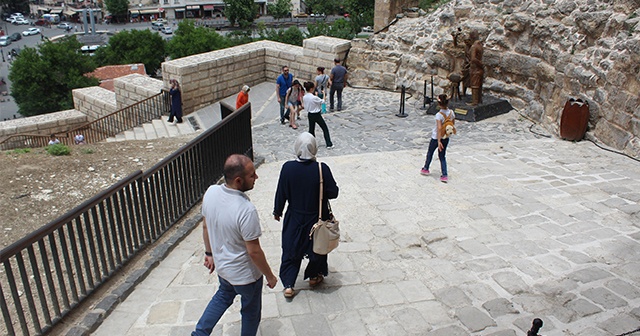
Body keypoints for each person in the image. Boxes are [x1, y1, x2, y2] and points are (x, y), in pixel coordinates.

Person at [193, 154, 278, 336]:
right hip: (247, 276)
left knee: (222, 298)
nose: (256, 178)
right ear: (239, 181)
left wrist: (209, 253)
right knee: (250, 313)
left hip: (224, 269)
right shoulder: (246, 210)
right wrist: (270, 276)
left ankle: (200, 333)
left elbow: (206, 225)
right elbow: (254, 251)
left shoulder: (211, 192)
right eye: (252, 175)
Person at [273, 132, 339, 298]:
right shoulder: (321, 169)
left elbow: (281, 192)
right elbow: (334, 192)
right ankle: (314, 275)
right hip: (316, 217)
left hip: (294, 216)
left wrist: (277, 210)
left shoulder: (287, 168)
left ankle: (289, 284)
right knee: (317, 248)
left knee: (291, 249)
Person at [420, 94, 454, 183]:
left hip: (436, 137)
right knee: (442, 156)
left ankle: (426, 168)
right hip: (446, 137)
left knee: (430, 152)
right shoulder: (451, 113)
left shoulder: (439, 115)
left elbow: (439, 128)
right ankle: (444, 174)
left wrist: (439, 141)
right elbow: (452, 124)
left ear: (439, 104)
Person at [301, 81, 333, 149]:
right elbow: (323, 101)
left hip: (310, 114)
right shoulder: (314, 98)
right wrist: (324, 94)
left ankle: (311, 144)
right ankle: (329, 144)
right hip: (316, 114)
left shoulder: (305, 97)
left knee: (311, 130)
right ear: (312, 89)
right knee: (324, 128)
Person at [467, 30, 484, 105]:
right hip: (479, 68)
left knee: (475, 85)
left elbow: (473, 58)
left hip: (475, 68)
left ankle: (475, 101)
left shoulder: (474, 46)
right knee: (479, 85)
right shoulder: (480, 45)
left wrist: (479, 64)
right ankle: (479, 100)